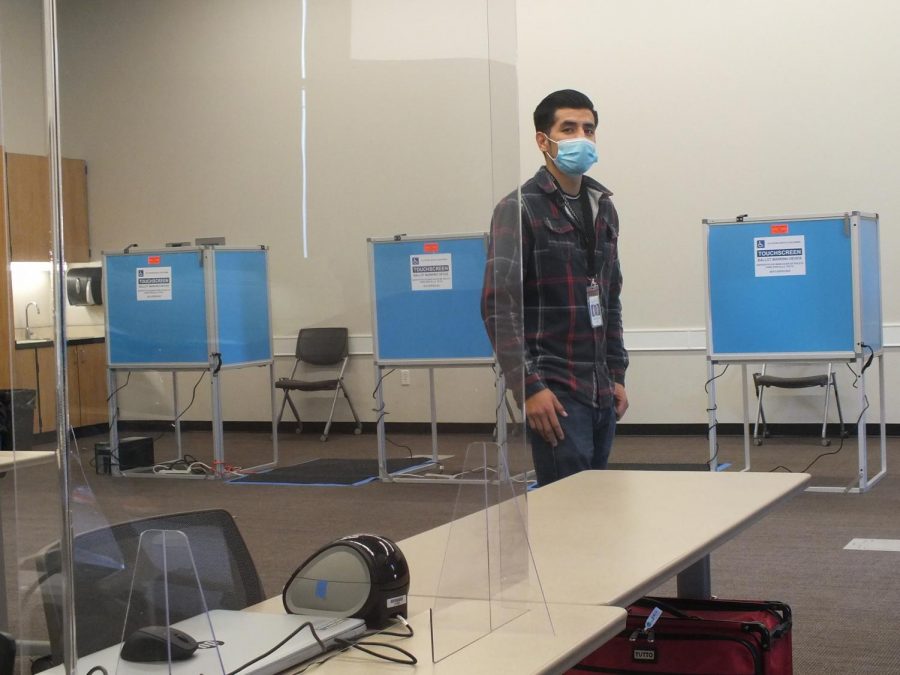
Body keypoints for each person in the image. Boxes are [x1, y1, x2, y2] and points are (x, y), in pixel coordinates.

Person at [482, 89, 629, 486]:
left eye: (588, 128)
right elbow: (500, 307)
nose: (581, 136)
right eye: (569, 128)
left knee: (599, 504)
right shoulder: (519, 208)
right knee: (568, 512)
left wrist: (617, 374)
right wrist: (528, 388)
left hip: (599, 385)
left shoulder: (604, 207)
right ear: (542, 140)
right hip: (554, 386)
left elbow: (610, 297)